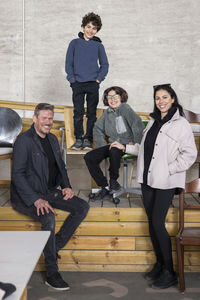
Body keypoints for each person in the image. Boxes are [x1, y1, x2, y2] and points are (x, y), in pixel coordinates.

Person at [112, 84, 197, 289]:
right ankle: (160, 265)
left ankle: (170, 272)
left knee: (158, 223)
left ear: (173, 99)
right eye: (158, 98)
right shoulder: (153, 122)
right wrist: (126, 147)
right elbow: (146, 149)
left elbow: (190, 154)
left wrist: (169, 169)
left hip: (166, 181)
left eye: (165, 97)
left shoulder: (181, 124)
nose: (161, 101)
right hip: (148, 179)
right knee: (152, 223)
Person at [10, 103, 89, 291]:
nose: (48, 122)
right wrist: (35, 199)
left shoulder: (53, 139)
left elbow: (61, 166)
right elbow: (18, 175)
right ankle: (52, 274)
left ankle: (51, 249)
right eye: (44, 118)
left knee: (82, 207)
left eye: (50, 118)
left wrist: (67, 186)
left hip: (50, 191)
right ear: (35, 119)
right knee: (48, 217)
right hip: (27, 196)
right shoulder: (24, 141)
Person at [84, 86, 144, 201]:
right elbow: (97, 128)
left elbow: (137, 125)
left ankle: (113, 181)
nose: (112, 99)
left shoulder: (125, 108)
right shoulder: (107, 113)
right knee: (89, 157)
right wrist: (102, 146)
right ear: (106, 99)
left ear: (121, 97)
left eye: (115, 96)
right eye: (109, 97)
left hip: (126, 145)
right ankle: (104, 187)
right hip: (112, 145)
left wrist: (136, 145)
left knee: (114, 150)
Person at [65, 12, 109, 151]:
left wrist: (98, 80)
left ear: (97, 31)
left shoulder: (98, 46)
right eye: (88, 26)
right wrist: (72, 80)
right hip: (77, 83)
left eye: (94, 28)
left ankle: (88, 139)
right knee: (78, 112)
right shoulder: (74, 43)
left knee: (91, 113)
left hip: (92, 84)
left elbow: (105, 65)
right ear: (83, 27)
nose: (91, 30)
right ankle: (78, 139)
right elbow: (68, 63)